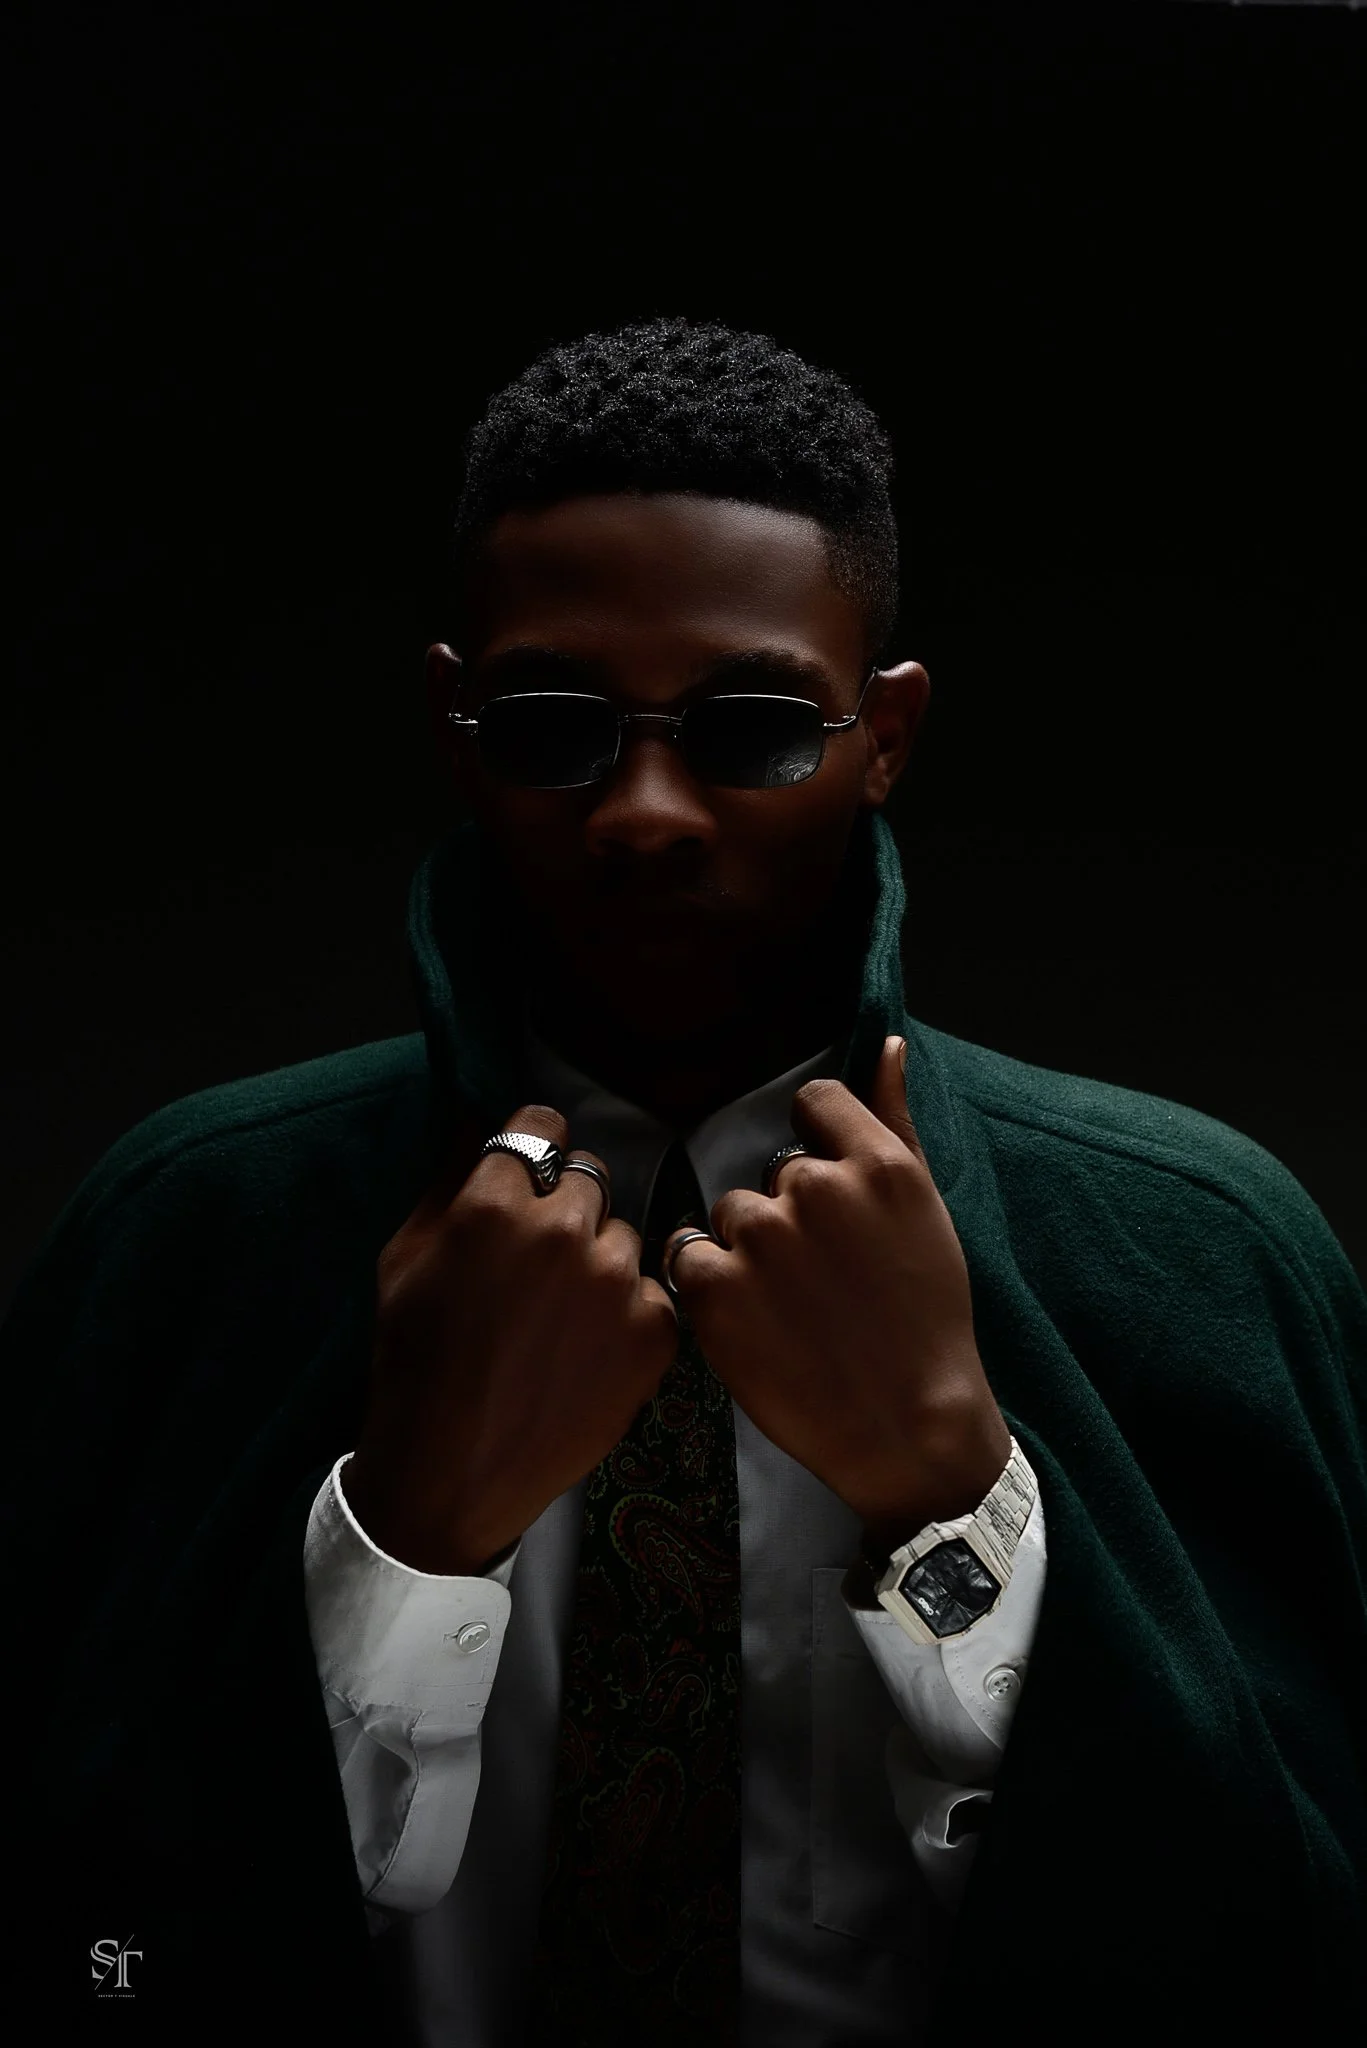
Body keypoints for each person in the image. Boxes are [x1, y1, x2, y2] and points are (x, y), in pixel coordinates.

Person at [10, 318, 1364, 2047]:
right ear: (453, 722)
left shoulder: (1201, 1249)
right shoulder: (183, 1237)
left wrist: (953, 1501)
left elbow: (1297, 1969)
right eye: (557, 723)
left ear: (884, 733)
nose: (645, 811)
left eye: (748, 725)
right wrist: (402, 1545)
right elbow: (74, 1949)